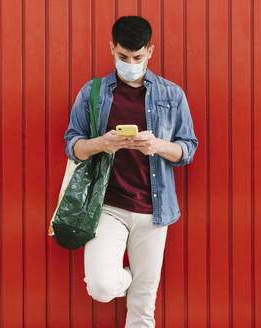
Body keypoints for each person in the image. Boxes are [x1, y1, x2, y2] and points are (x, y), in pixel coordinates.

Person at [64, 15, 198, 328]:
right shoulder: (92, 93)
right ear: (112, 48)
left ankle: (139, 287)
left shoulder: (172, 95)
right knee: (102, 286)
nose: (130, 63)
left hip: (156, 210)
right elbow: (72, 146)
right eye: (123, 57)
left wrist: (158, 146)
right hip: (107, 206)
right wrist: (102, 143)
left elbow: (187, 149)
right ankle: (132, 281)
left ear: (151, 51)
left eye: (137, 57)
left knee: (142, 310)